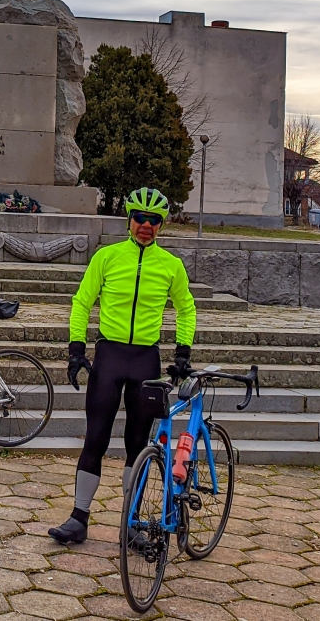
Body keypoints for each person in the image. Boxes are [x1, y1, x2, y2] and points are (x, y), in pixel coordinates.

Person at [48, 187, 197, 545]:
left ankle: (131, 524)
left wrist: (182, 352)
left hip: (145, 359)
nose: (146, 226)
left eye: (154, 221)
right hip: (110, 357)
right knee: (96, 438)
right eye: (140, 219)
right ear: (129, 221)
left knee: (136, 445)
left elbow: (187, 308)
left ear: (161, 225)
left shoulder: (171, 265)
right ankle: (78, 518)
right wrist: (75, 348)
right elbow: (82, 301)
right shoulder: (107, 257)